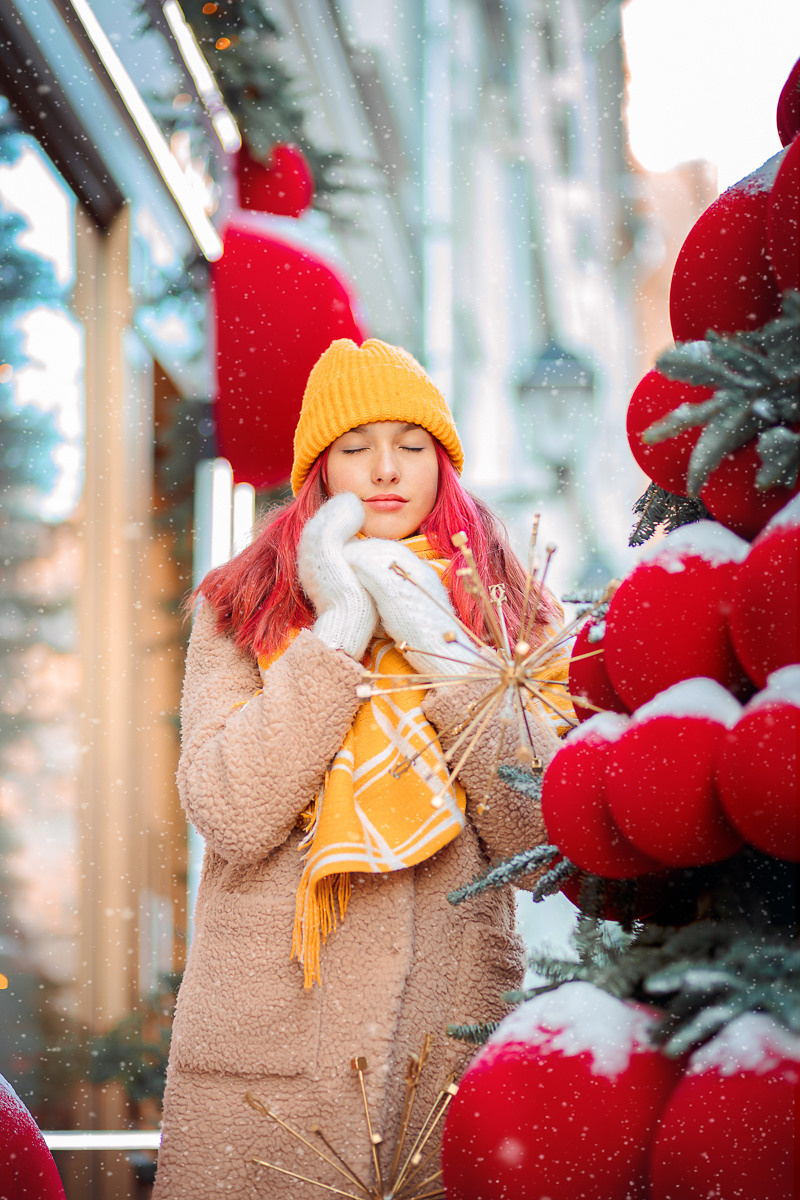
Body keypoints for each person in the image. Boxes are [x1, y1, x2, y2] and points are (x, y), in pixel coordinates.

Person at [153, 338, 571, 1199]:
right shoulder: (244, 607)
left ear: (442, 464)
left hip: (442, 1053)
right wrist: (340, 627)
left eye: (411, 445)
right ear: (320, 472)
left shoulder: (512, 609)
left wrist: (439, 643)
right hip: (268, 1063)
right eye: (356, 448)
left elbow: (542, 833)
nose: (386, 469)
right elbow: (230, 809)